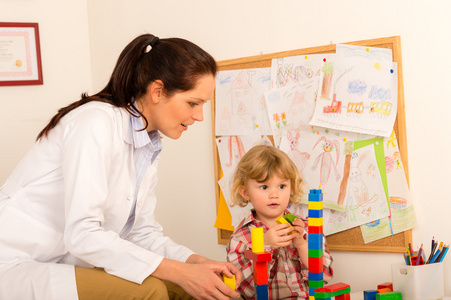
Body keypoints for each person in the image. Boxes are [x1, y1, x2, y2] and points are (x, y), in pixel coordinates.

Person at [0, 33, 242, 300]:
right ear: (158, 91)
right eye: (193, 103)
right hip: (18, 262)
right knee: (152, 290)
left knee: (193, 290)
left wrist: (194, 262)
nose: (198, 116)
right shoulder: (95, 123)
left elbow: (140, 232)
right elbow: (83, 234)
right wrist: (179, 271)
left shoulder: (147, 142)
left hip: (64, 261)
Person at [226, 144, 333, 299]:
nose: (274, 194)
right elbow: (246, 290)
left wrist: (302, 245)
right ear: (245, 192)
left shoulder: (308, 228)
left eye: (282, 186)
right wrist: (264, 246)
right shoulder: (239, 238)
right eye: (264, 187)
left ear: (291, 188)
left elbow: (325, 277)